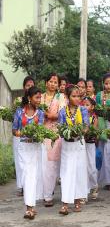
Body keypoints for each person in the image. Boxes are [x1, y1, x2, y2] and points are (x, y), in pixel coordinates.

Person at [12, 87, 45, 219]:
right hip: (23, 148)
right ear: (30, 98)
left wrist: (36, 133)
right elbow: (14, 130)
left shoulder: (40, 113)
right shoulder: (19, 112)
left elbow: (41, 130)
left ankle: (31, 206)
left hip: (35, 147)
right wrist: (20, 132)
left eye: (40, 97)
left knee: (34, 175)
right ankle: (29, 207)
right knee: (27, 175)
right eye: (37, 97)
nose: (39, 100)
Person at [58, 85, 90, 215]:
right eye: (74, 96)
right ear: (67, 97)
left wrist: (79, 131)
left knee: (79, 172)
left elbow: (86, 126)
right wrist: (67, 133)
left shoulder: (83, 110)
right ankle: (65, 203)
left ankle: (77, 200)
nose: (77, 98)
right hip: (67, 145)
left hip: (79, 144)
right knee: (66, 173)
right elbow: (60, 128)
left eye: (78, 96)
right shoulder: (62, 111)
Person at [41, 73, 66, 207]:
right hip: (43, 133)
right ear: (46, 83)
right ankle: (47, 195)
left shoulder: (61, 97)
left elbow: (62, 114)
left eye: (55, 82)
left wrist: (50, 115)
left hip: (57, 133)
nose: (53, 84)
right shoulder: (41, 97)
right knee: (47, 165)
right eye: (50, 81)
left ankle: (65, 194)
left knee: (57, 163)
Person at [13, 76, 36, 196]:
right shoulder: (18, 101)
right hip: (19, 135)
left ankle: (31, 185)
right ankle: (22, 186)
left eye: (32, 85)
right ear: (24, 87)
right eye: (28, 85)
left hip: (33, 137)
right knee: (20, 161)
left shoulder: (37, 100)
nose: (30, 87)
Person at [96, 73, 110, 191]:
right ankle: (106, 179)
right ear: (103, 84)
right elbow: (97, 110)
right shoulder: (100, 95)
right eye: (106, 83)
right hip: (102, 125)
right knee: (103, 153)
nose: (108, 86)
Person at [82, 97, 99, 200]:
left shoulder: (94, 118)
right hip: (81, 144)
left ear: (92, 107)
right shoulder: (79, 116)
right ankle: (85, 191)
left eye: (87, 105)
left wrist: (90, 132)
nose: (85, 106)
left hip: (90, 143)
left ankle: (94, 186)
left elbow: (95, 131)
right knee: (83, 167)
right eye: (83, 104)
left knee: (91, 167)